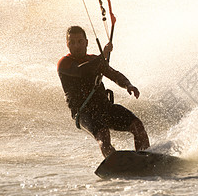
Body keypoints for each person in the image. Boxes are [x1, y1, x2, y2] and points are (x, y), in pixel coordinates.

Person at [57, 26, 150, 158]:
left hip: (104, 107)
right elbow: (81, 71)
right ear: (67, 44)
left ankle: (145, 159)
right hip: (84, 112)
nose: (76, 46)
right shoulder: (64, 63)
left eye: (80, 41)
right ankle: (114, 164)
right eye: (72, 42)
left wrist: (128, 85)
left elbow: (114, 74)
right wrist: (103, 56)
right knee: (103, 136)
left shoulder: (94, 60)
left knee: (137, 126)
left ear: (86, 42)